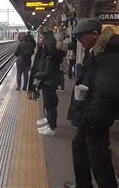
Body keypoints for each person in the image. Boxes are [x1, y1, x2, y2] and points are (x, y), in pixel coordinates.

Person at [66, 18, 119, 188]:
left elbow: (108, 90)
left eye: (81, 36)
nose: (79, 41)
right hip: (89, 114)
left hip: (96, 116)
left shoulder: (108, 54)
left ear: (95, 34)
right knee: (79, 147)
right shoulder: (96, 51)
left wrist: (93, 117)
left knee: (99, 160)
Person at [28, 31, 66, 136]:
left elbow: (47, 71)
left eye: (41, 37)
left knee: (50, 105)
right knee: (47, 103)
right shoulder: (45, 50)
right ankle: (48, 121)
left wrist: (36, 75)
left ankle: (51, 128)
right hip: (48, 82)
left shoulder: (49, 53)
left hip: (49, 82)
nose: (39, 39)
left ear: (46, 39)